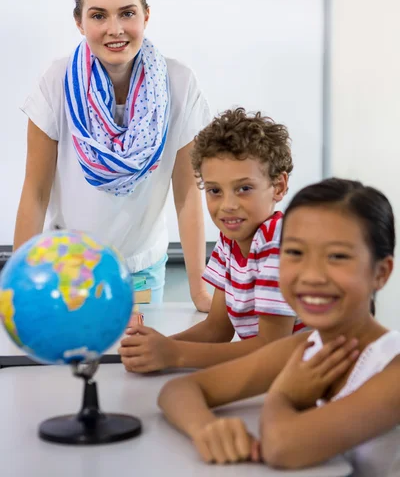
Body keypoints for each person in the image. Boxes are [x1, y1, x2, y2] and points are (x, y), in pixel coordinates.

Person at [158, 178, 400, 476]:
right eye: (295, 253)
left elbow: (281, 447)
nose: (312, 276)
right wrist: (207, 429)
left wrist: (283, 396)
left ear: (381, 273)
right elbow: (179, 390)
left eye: (337, 256)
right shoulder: (307, 347)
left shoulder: (393, 370)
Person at [14, 0, 212, 312]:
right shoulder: (56, 82)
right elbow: (36, 193)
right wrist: (14, 287)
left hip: (142, 272)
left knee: (135, 364)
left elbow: (186, 195)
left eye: (127, 13)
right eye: (98, 15)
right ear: (79, 22)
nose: (115, 29)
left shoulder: (179, 84)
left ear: (146, 16)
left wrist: (199, 290)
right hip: (67, 270)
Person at [119, 108, 305, 373]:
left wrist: (174, 353)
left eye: (244, 188)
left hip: (306, 379)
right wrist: (155, 348)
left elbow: (271, 349)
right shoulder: (231, 240)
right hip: (272, 374)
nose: (228, 205)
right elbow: (217, 329)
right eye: (215, 190)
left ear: (278, 186)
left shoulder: (278, 241)